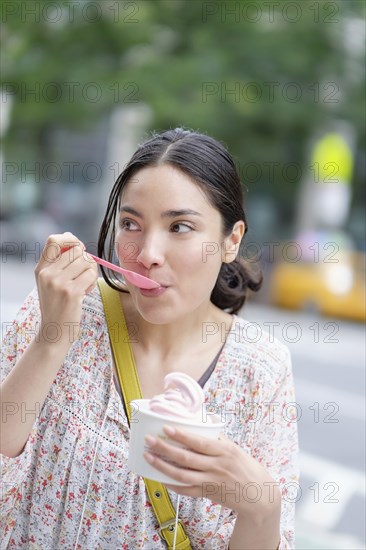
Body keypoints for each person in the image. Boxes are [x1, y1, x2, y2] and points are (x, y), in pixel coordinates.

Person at [1, 128, 299, 549]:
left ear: (231, 241)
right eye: (130, 224)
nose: (147, 253)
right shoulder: (64, 307)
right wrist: (51, 341)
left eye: (180, 226)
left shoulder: (261, 368)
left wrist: (262, 504)